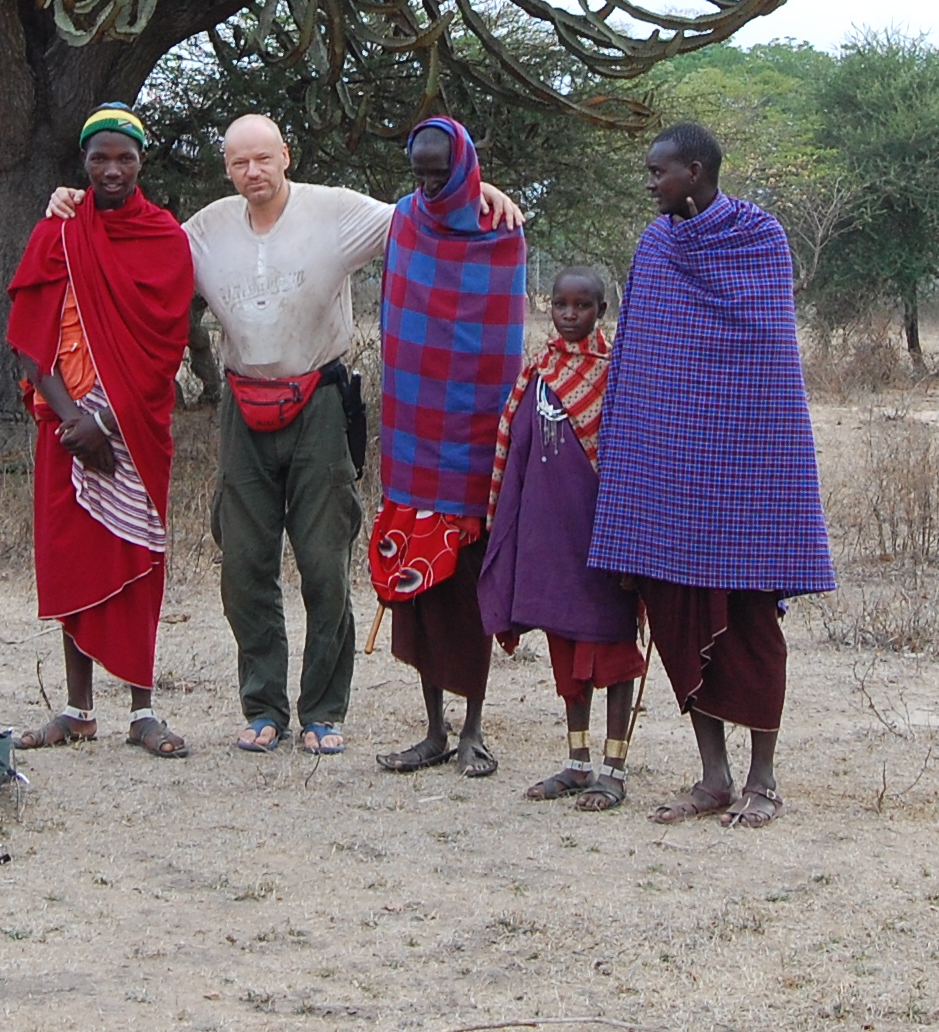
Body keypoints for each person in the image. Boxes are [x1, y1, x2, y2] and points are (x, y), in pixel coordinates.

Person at [52, 113, 522, 756]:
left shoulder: (338, 212)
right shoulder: (202, 231)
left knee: (325, 563)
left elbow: (431, 209)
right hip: (241, 404)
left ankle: (324, 712)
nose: (254, 172)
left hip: (322, 402)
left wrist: (481, 190)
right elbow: (128, 248)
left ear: (287, 156)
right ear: (227, 167)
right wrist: (73, 206)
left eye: (264, 159)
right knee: (244, 564)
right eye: (240, 162)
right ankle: (264, 707)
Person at [586, 122, 835, 828]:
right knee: (676, 616)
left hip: (748, 470)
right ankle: (713, 777)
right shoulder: (656, 243)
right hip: (668, 473)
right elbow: (641, 362)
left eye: (658, 171)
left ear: (694, 171)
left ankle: (763, 781)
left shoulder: (761, 239)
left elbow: (768, 361)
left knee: (750, 626)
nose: (650, 182)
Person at [5, 106, 196, 759]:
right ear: (83, 163)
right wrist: (70, 417)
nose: (112, 170)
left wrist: (104, 419)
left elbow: (164, 348)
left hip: (132, 427)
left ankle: (143, 710)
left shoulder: (165, 237)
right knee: (72, 558)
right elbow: (32, 342)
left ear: (141, 162)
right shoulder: (55, 234)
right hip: (65, 425)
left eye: (124, 159)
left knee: (137, 560)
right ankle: (77, 709)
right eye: (99, 159)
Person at [367, 117, 525, 780]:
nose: (429, 184)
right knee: (418, 590)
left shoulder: (501, 230)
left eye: (440, 172)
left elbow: (503, 333)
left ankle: (474, 730)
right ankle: (432, 730)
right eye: (420, 172)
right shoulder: (404, 219)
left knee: (468, 588)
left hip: (476, 441)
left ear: (464, 166)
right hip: (412, 432)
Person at [477, 265, 644, 811]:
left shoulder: (616, 372)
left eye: (583, 306)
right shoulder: (538, 372)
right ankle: (577, 763)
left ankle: (614, 769)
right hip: (550, 538)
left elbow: (631, 458)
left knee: (612, 651)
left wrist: (632, 542)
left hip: (603, 540)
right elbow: (516, 449)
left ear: (601, 310)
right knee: (565, 645)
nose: (570, 315)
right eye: (561, 305)